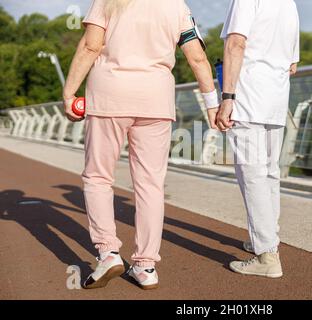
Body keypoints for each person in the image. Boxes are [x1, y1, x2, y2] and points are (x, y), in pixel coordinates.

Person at [63, 0, 220, 290]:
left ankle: (108, 252)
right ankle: (146, 266)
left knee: (98, 177)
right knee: (150, 184)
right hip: (156, 101)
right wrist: (212, 103)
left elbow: (90, 46)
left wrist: (69, 91)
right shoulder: (177, 6)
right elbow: (196, 57)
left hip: (110, 96)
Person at [216, 0, 300, 278]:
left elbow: (235, 44)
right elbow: (292, 65)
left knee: (252, 176)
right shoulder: (290, 4)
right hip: (275, 100)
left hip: (248, 97)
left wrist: (227, 97)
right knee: (269, 174)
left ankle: (267, 256)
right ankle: (264, 240)